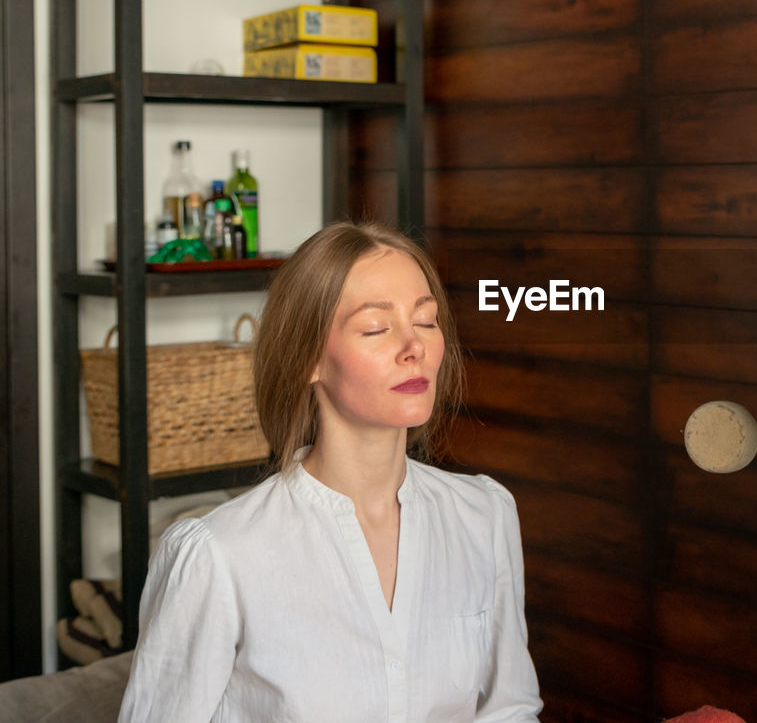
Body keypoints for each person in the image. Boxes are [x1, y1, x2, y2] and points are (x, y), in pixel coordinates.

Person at [118, 221, 542, 722]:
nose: (414, 347)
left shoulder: (484, 516)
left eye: (426, 321)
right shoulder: (218, 557)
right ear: (307, 360)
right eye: (376, 328)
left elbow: (508, 710)